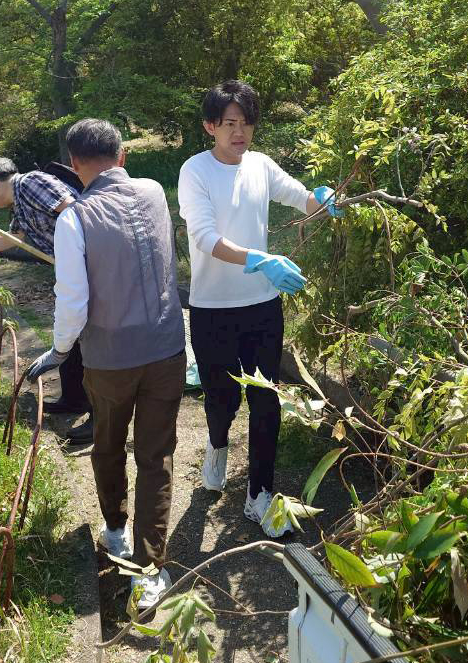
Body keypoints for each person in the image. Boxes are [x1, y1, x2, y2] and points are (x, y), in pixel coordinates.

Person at [24, 119, 186, 609]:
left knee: (109, 443)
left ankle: (116, 530)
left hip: (111, 359)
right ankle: (149, 569)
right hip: (166, 348)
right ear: (123, 156)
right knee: (156, 456)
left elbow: (73, 301)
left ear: (73, 164)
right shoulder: (154, 192)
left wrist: (59, 351)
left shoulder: (74, 219)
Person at [177, 80, 341, 538]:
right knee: (222, 400)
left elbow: (301, 197)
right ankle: (216, 445)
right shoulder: (195, 171)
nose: (240, 133)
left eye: (247, 123)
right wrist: (259, 259)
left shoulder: (261, 165)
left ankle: (260, 497)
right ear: (210, 126)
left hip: (263, 307)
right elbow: (204, 238)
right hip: (213, 309)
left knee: (267, 401)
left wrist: (325, 198)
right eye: (230, 123)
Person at [0, 158, 93, 439]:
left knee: (90, 338)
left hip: (89, 267)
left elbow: (77, 213)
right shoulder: (19, 202)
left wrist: (80, 258)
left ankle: (100, 418)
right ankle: (74, 400)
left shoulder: (31, 183)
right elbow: (13, 238)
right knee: (74, 337)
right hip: (72, 268)